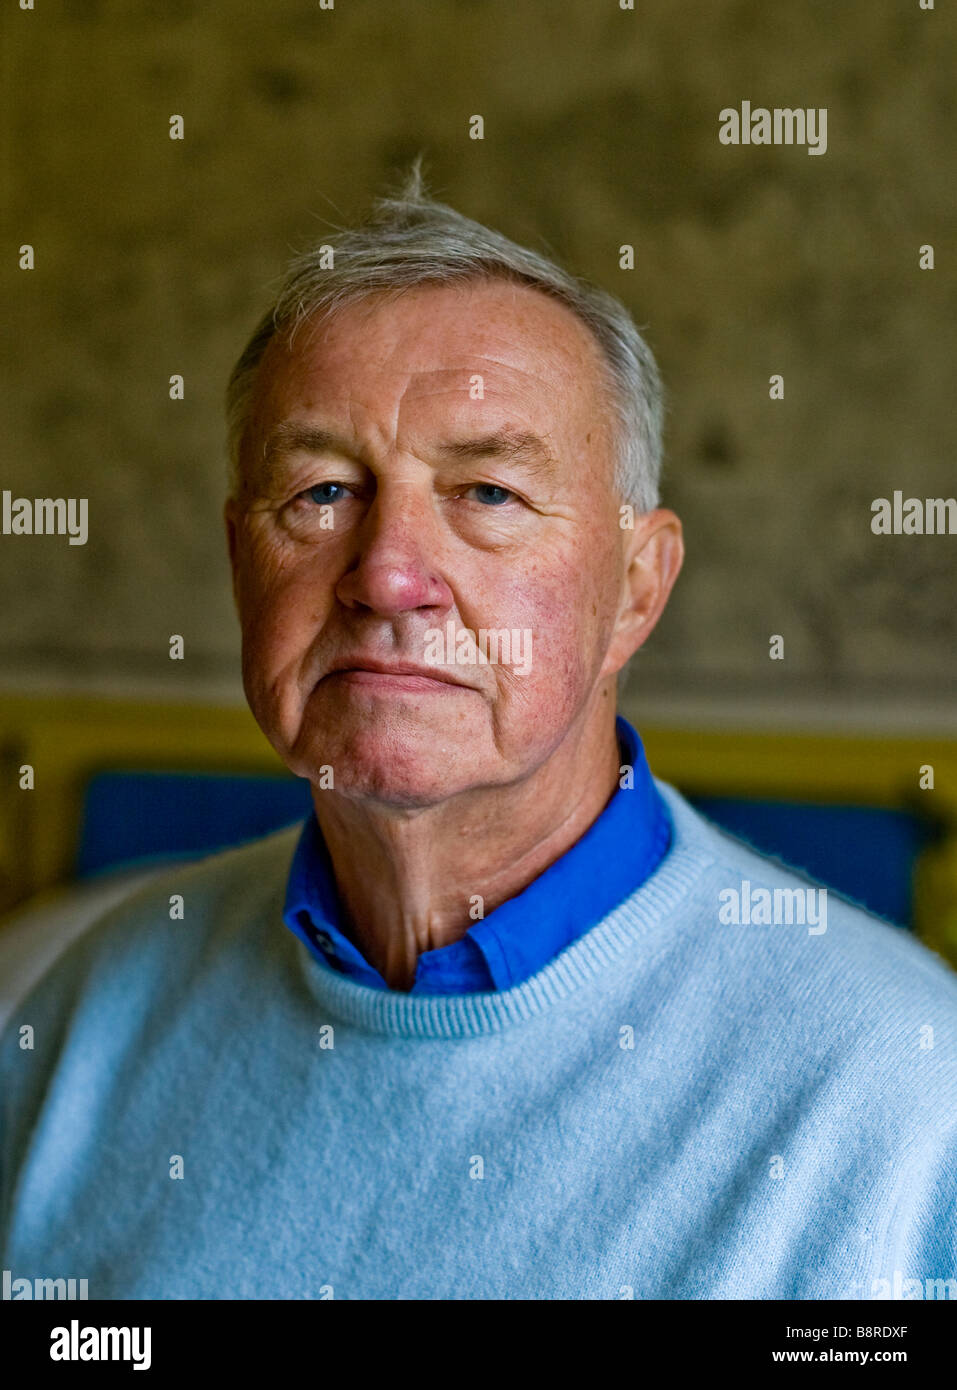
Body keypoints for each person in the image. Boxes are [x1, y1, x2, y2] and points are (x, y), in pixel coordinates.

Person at [2, 166, 955, 1300]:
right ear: (240, 563)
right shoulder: (78, 1020)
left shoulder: (905, 1100)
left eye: (489, 493)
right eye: (320, 492)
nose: (390, 575)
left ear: (637, 590)